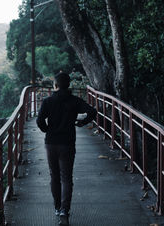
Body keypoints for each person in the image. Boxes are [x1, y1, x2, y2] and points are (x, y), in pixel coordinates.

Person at [36, 72, 97, 226]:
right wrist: (82, 123)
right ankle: (64, 209)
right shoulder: (75, 100)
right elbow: (92, 111)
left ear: (55, 85)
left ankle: (57, 207)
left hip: (51, 143)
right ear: (68, 85)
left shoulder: (48, 101)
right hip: (68, 143)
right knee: (66, 178)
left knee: (54, 176)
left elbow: (39, 120)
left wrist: (46, 130)